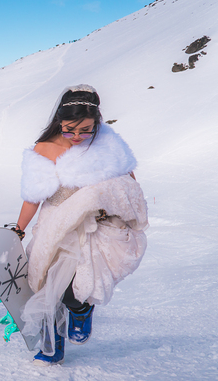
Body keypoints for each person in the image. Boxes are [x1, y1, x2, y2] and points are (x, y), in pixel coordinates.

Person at [14, 85, 148, 365]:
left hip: (92, 229)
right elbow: (32, 197)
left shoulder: (108, 144)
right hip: (53, 224)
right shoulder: (44, 148)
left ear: (97, 122)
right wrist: (19, 229)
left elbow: (128, 186)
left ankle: (81, 310)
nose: (77, 137)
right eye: (69, 129)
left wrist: (102, 201)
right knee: (46, 286)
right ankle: (53, 347)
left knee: (74, 289)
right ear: (59, 121)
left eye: (85, 130)